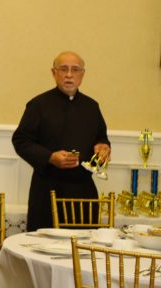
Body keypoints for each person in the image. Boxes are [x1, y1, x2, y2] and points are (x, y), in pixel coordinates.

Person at [12, 51, 111, 231]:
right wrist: (49, 157)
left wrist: (103, 147)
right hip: (47, 191)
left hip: (83, 192)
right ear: (54, 73)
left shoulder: (91, 107)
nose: (69, 75)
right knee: (43, 243)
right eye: (63, 69)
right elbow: (21, 140)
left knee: (83, 245)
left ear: (82, 74)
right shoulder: (38, 105)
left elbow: (101, 137)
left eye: (75, 70)